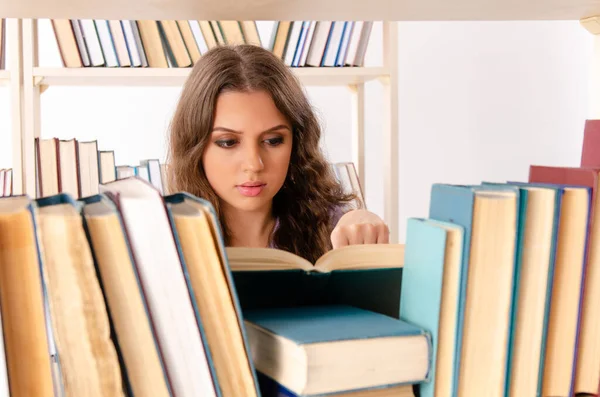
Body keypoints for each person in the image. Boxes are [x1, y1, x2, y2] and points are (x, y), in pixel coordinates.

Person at [167, 44, 389, 264]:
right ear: (195, 145)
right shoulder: (164, 240)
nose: (254, 164)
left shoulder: (332, 229)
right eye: (228, 142)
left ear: (297, 141)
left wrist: (360, 222)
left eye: (273, 141)